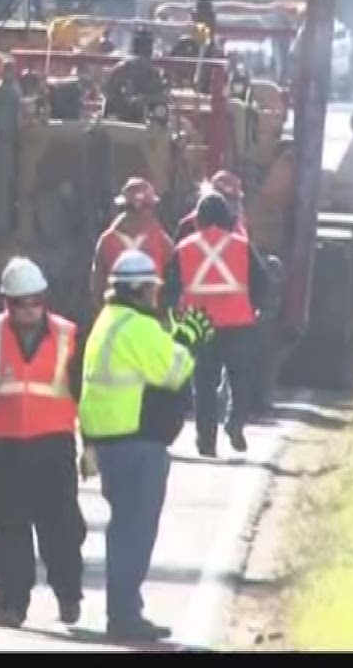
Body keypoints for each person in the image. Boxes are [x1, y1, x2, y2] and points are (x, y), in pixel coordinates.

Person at [0, 257, 89, 630]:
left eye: (35, 301)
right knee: (10, 530)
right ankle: (10, 603)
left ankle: (68, 593)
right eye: (20, 303)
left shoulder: (68, 337)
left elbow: (88, 395)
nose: (29, 310)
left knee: (61, 527)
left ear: (44, 299)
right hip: (5, 449)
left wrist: (92, 446)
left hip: (54, 446)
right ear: (6, 302)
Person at [77, 250, 213, 642]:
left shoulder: (107, 323)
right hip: (137, 442)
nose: (157, 296)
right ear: (138, 290)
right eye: (152, 289)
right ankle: (124, 616)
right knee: (135, 531)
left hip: (110, 441)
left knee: (124, 529)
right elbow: (174, 371)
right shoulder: (137, 326)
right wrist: (188, 339)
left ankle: (124, 610)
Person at [168, 192, 272, 457]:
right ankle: (235, 423)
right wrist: (258, 308)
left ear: (199, 220)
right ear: (228, 218)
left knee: (203, 383)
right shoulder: (241, 245)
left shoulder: (184, 248)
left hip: (199, 324)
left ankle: (206, 441)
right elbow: (262, 282)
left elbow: (169, 289)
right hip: (239, 322)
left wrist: (173, 319)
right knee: (240, 378)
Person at [91, 177, 174, 317]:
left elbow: (96, 284)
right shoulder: (159, 238)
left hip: (116, 312)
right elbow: (174, 274)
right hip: (152, 312)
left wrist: (102, 312)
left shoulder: (107, 240)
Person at [103, 29, 163, 122]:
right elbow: (109, 92)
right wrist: (123, 101)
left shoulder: (152, 73)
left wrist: (144, 99)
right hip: (119, 113)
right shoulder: (120, 70)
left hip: (143, 114)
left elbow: (159, 95)